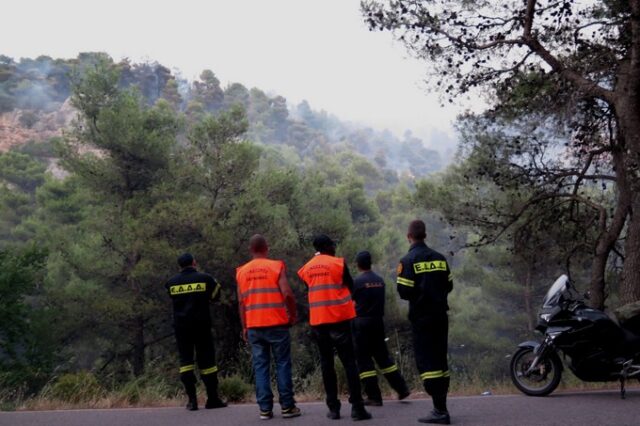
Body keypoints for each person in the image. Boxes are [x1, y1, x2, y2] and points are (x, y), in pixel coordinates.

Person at [297, 235, 371, 421]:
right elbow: (351, 286)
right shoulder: (338, 263)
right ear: (326, 247)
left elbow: (311, 288)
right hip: (340, 320)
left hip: (319, 322)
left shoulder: (306, 268)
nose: (335, 247)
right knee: (349, 363)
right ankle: (357, 408)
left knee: (326, 365)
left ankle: (333, 409)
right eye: (332, 244)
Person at [236, 234, 302, 420]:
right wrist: (293, 315)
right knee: (282, 363)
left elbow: (241, 303)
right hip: (277, 324)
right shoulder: (276, 266)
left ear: (251, 250)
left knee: (261, 367)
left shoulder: (241, 271)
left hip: (254, 326)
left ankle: (265, 409)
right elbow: (287, 294)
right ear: (267, 248)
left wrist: (244, 327)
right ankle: (287, 407)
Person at [396, 220, 453, 424]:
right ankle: (441, 407)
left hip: (422, 318)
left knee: (427, 364)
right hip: (440, 316)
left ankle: (439, 411)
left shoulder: (408, 260)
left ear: (408, 236)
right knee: (440, 361)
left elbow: (403, 292)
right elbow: (449, 285)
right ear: (425, 235)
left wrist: (420, 295)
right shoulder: (439, 258)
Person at [165, 253, 227, 411]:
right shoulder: (206, 278)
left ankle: (192, 401)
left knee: (185, 363)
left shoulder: (171, 283)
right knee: (208, 363)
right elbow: (216, 296)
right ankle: (212, 399)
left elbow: (172, 297)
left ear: (179, 266)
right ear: (194, 262)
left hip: (181, 328)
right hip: (201, 325)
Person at [352, 250, 410, 406]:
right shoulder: (380, 280)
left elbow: (352, 302)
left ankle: (374, 396)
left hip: (361, 323)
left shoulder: (356, 282)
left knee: (364, 361)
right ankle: (402, 388)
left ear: (358, 264)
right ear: (370, 263)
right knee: (383, 358)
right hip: (377, 322)